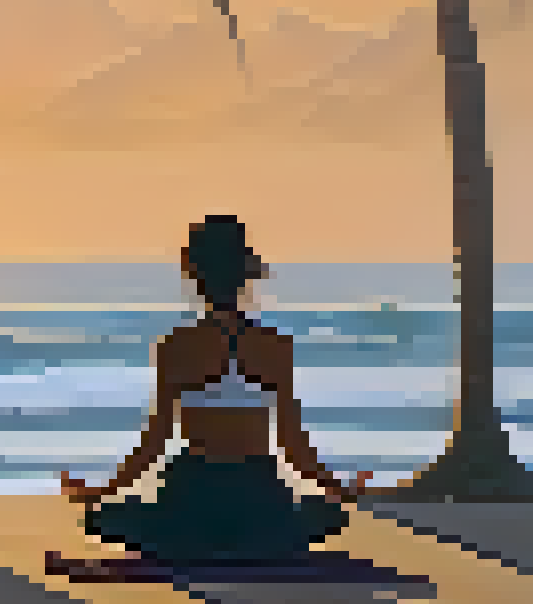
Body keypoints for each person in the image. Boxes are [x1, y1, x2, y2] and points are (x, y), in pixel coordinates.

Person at [62, 214, 370, 562]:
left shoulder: (178, 345)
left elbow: (156, 441)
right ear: (244, 275)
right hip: (258, 491)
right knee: (327, 516)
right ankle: (251, 541)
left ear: (194, 275)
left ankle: (196, 541)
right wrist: (338, 489)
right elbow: (292, 442)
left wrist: (102, 491)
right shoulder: (274, 345)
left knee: (104, 519)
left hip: (194, 490)